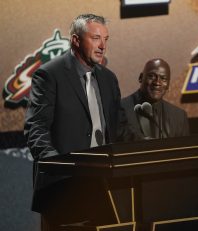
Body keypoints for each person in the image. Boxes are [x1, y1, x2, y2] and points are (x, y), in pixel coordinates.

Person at [24, 14, 128, 230]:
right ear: (75, 40)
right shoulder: (49, 75)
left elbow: (120, 129)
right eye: (96, 38)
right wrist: (61, 168)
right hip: (63, 190)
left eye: (106, 39)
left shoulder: (109, 79)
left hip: (105, 189)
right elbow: (36, 129)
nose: (102, 46)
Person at [121, 58, 189, 139]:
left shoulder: (179, 116)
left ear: (168, 85)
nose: (157, 82)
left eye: (163, 78)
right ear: (140, 78)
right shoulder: (120, 109)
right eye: (151, 76)